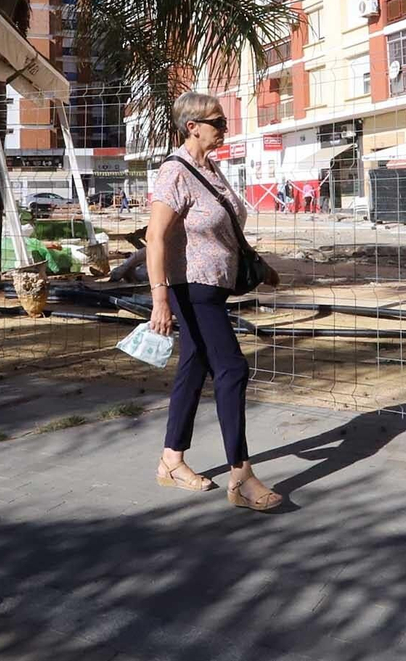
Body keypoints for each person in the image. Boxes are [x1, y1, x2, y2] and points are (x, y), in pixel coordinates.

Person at [147, 91, 282, 513]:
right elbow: (155, 237)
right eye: (218, 122)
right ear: (193, 126)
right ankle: (240, 475)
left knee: (194, 366)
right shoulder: (175, 172)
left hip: (215, 284)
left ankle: (171, 461)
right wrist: (159, 297)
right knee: (232, 367)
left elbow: (225, 229)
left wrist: (258, 265)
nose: (225, 128)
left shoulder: (212, 169)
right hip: (193, 287)